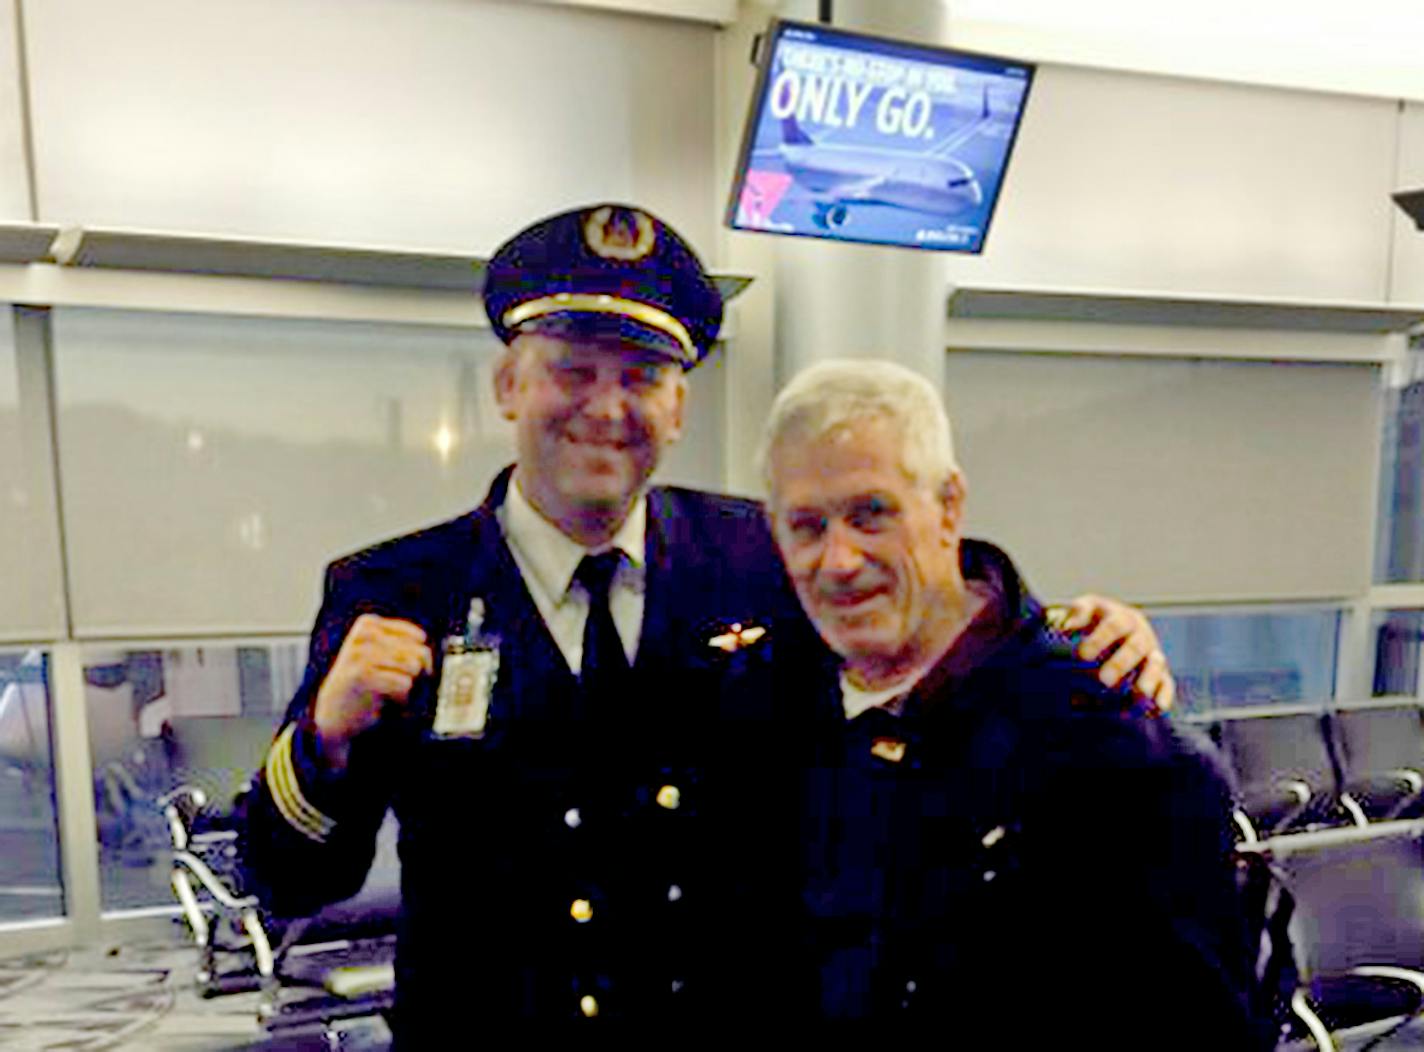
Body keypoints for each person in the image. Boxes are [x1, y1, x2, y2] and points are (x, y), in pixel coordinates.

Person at [240, 203, 1177, 1041]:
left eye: (642, 376)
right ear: (508, 387)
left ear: (679, 405)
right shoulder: (397, 588)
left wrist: (1068, 643)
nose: (605, 408)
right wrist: (326, 737)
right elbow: (288, 884)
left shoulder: (759, 554)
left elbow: (918, 626)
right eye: (571, 369)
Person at [760, 359, 1265, 1045]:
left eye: (871, 513)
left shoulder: (1115, 749)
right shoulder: (765, 708)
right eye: (808, 526)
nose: (840, 559)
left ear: (947, 506)